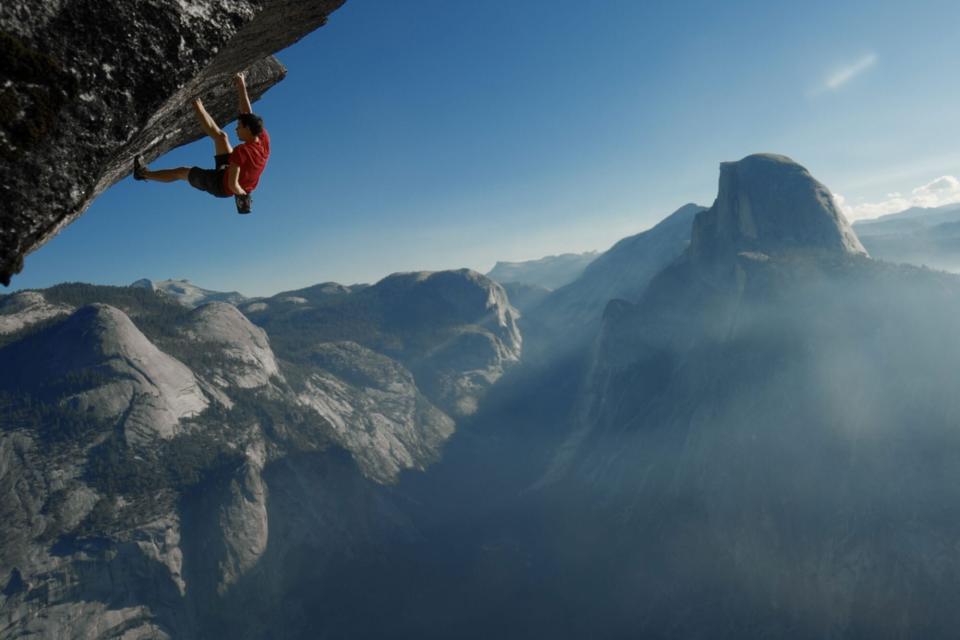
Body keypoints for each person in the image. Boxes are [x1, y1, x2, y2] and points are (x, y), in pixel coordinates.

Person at [133, 72, 270, 214]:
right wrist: (241, 84)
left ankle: (142, 174)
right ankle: (196, 102)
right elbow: (247, 114)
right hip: (229, 171)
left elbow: (232, 184)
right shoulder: (262, 138)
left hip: (220, 185)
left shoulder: (240, 152)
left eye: (239, 126)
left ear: (248, 129)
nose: (236, 129)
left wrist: (243, 195)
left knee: (181, 172)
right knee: (222, 137)